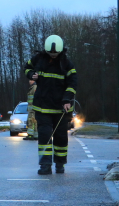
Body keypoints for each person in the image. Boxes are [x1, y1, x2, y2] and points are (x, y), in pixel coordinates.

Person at [24, 35, 78, 175]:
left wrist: (67, 100)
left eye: (55, 54)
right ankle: (45, 165)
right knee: (44, 136)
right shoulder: (38, 59)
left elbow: (72, 84)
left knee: (60, 137)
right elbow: (27, 67)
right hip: (42, 107)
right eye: (50, 53)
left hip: (61, 109)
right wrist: (31, 74)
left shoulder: (67, 64)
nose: (53, 56)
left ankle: (60, 164)